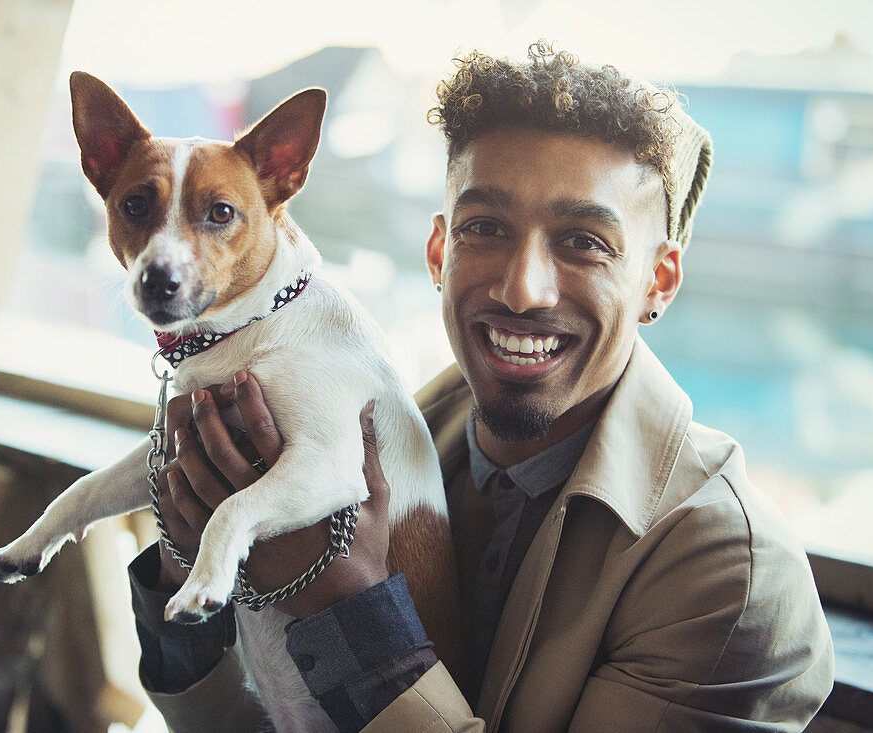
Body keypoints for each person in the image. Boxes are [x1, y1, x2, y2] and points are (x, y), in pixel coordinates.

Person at [127, 43, 835, 731]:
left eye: (585, 240)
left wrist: (346, 610)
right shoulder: (370, 429)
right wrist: (178, 561)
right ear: (439, 251)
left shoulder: (732, 574)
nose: (522, 288)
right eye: (486, 227)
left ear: (660, 280)